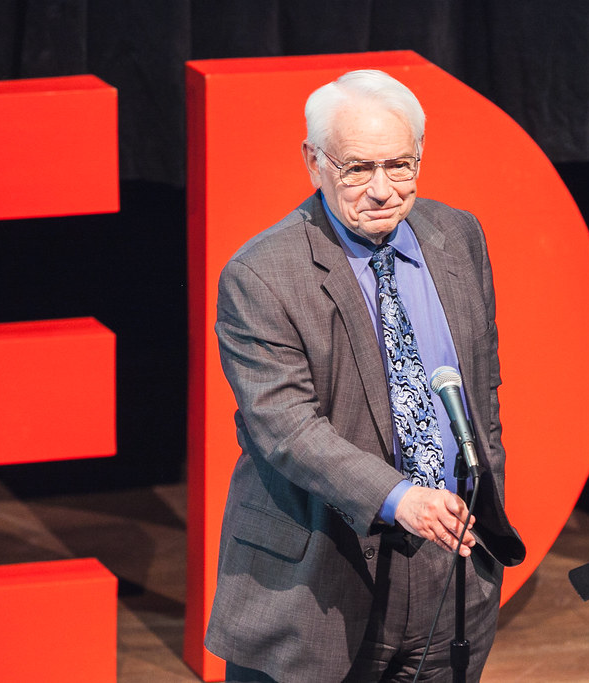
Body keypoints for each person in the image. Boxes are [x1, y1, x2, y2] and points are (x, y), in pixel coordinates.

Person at [204, 69, 525, 683]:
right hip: (320, 574)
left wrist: (482, 533)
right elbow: (286, 428)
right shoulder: (261, 274)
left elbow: (482, 391)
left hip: (451, 572)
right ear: (314, 162)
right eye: (358, 169)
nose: (383, 189)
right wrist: (399, 499)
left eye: (399, 165)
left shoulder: (459, 236)